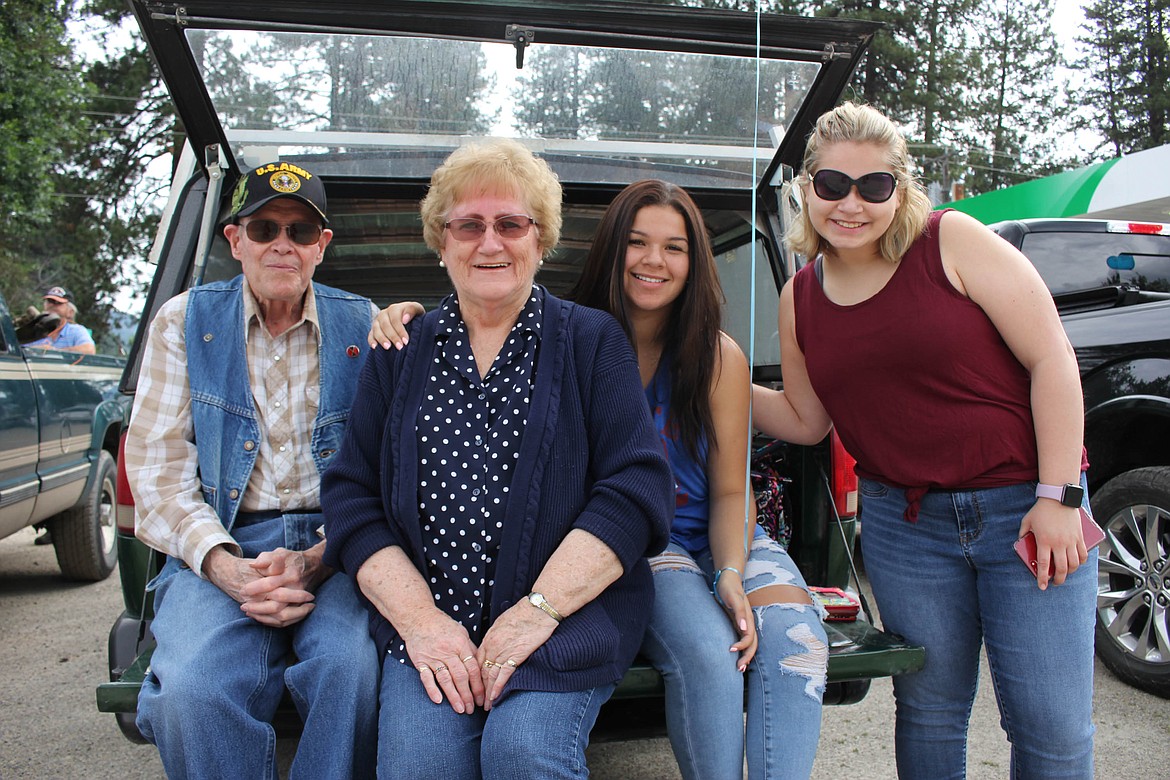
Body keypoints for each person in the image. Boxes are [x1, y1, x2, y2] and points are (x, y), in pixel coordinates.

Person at [370, 178, 829, 780]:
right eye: (637, 242)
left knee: (801, 643)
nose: (653, 261)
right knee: (712, 654)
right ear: (611, 250)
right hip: (646, 547)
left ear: (697, 261)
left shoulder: (713, 356)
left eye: (675, 247)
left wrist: (732, 572)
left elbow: (731, 485)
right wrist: (404, 312)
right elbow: (480, 300)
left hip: (706, 534)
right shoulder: (573, 336)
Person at [750, 102, 1095, 779]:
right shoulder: (801, 297)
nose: (851, 203)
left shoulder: (951, 241)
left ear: (901, 189)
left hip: (1025, 507)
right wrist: (712, 375)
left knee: (1049, 723)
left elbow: (1052, 358)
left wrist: (1059, 496)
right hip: (906, 527)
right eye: (831, 185)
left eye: (874, 186)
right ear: (805, 189)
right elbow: (806, 419)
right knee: (931, 712)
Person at [321, 139, 673, 780]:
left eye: (511, 224)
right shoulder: (399, 350)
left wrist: (536, 612)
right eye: (469, 225)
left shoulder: (592, 341)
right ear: (442, 240)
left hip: (564, 621)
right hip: (430, 632)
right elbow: (351, 496)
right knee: (415, 769)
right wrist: (420, 621)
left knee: (523, 754)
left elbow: (636, 488)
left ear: (540, 241)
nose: (490, 242)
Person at [124, 161, 380, 779]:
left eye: (299, 231)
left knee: (353, 675)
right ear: (235, 241)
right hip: (224, 540)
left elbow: (386, 469)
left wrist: (320, 558)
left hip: (338, 545)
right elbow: (158, 469)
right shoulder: (183, 322)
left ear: (322, 246)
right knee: (190, 691)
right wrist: (225, 566)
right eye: (264, 228)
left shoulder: (366, 324)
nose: (281, 245)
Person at [25, 286, 96, 354]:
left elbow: (89, 350)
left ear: (70, 312)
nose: (52, 305)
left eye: (58, 303)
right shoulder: (33, 330)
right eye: (49, 301)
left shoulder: (76, 331)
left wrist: (53, 351)